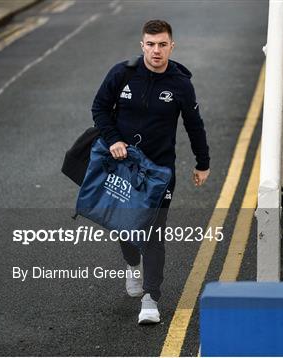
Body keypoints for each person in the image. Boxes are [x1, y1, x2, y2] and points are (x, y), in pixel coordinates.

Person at [91, 19, 210, 324]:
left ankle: (150, 298)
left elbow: (194, 125)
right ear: (142, 45)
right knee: (124, 225)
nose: (156, 50)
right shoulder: (122, 74)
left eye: (162, 44)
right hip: (123, 165)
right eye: (151, 44)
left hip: (159, 170)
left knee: (154, 232)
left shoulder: (181, 83)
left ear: (172, 46)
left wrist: (202, 163)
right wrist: (114, 139)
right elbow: (100, 108)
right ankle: (132, 267)